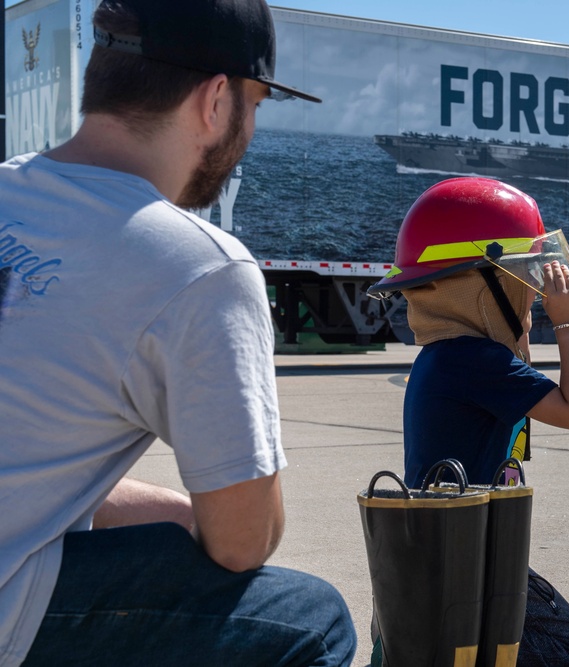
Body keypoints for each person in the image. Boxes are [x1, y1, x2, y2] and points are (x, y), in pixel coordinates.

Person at [0, 1, 355, 665]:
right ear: (216, 100)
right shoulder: (199, 265)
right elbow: (241, 541)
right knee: (313, 619)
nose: (251, 126)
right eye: (256, 104)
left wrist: (159, 514)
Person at [367, 176, 569, 666]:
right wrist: (568, 322)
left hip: (441, 566)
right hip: (458, 573)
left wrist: (519, 322)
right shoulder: (474, 361)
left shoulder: (450, 355)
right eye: (523, 277)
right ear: (480, 284)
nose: (533, 290)